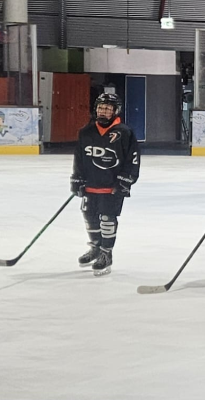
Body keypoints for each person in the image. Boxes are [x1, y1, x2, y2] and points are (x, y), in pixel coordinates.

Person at [71, 93, 140, 277]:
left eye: (108, 108)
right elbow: (80, 157)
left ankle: (106, 253)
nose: (104, 111)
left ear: (115, 111)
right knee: (89, 216)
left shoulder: (124, 132)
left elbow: (132, 159)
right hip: (91, 184)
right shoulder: (86, 132)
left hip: (112, 186)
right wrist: (77, 178)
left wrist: (126, 179)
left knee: (107, 220)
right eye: (101, 107)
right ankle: (95, 248)